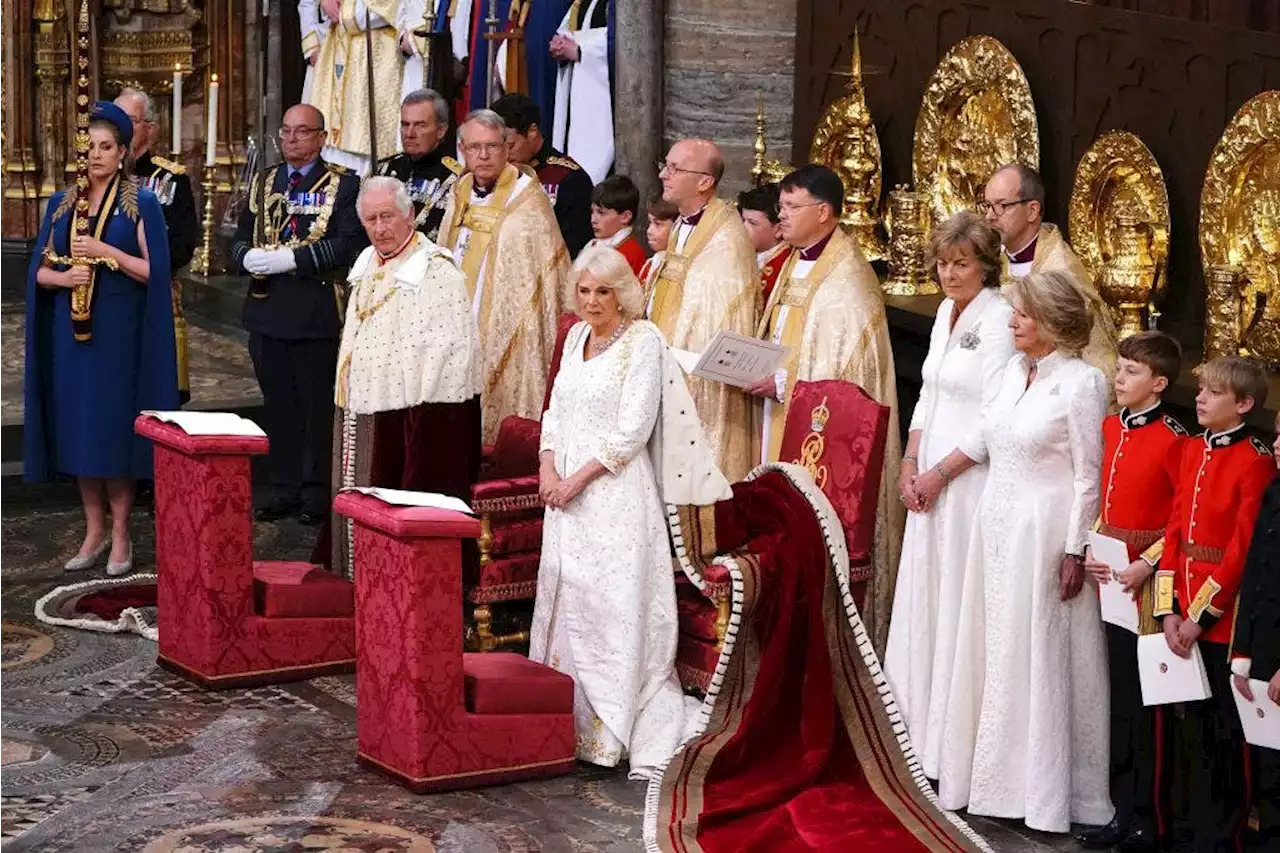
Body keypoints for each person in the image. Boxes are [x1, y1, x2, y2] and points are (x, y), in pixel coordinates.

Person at [933, 269, 1112, 833]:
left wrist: (1075, 548)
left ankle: (1042, 792)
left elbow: (1089, 476)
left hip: (1045, 531)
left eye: (1024, 315)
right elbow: (985, 435)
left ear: (1054, 324)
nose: (1012, 322)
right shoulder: (1013, 370)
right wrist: (932, 472)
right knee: (993, 645)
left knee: (1034, 652)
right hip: (998, 520)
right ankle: (986, 778)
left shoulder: (1082, 382)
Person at [532, 245, 719, 780]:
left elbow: (632, 432)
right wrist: (548, 470)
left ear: (624, 294)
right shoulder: (574, 338)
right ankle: (560, 725)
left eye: (603, 292)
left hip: (614, 497)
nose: (591, 302)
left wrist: (575, 480)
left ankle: (612, 729)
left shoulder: (643, 342)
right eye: (584, 291)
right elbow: (554, 413)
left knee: (612, 606)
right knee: (570, 600)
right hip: (564, 497)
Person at [744, 164, 903, 652]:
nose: (782, 216)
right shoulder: (795, 260)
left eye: (792, 208)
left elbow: (843, 380)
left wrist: (782, 383)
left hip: (813, 435)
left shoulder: (847, 282)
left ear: (824, 212)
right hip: (774, 412)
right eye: (782, 207)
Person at [883, 211, 1014, 779]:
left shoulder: (1004, 317)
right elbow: (928, 396)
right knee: (924, 593)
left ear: (986, 266)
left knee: (957, 598)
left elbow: (993, 418)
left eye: (962, 264)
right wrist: (909, 461)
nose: (950, 273)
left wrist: (941, 473)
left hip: (965, 481)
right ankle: (915, 728)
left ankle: (952, 743)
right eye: (943, 263)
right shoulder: (942, 312)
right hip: (926, 477)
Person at [24, 101, 178, 577]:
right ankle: (92, 532)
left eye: (105, 147)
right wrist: (63, 278)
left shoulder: (141, 201)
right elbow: (39, 274)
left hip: (118, 337)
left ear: (123, 152)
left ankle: (121, 535)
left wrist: (107, 252)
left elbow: (156, 271)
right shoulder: (61, 202)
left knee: (112, 434)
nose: (95, 155)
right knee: (80, 434)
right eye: (88, 146)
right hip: (72, 338)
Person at [325, 176, 482, 574]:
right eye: (371, 219)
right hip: (359, 409)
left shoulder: (436, 271)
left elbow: (448, 358)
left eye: (388, 217)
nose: (380, 228)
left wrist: (419, 429)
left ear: (409, 215)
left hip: (410, 420)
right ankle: (352, 582)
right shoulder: (368, 262)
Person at [1156, 356, 1273, 852]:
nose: (1199, 398)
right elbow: (1176, 529)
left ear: (1243, 404)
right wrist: (1168, 608)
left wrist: (1200, 617)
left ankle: (1222, 838)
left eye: (1213, 393)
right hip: (1182, 610)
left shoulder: (1256, 458)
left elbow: (1241, 551)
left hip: (1221, 625)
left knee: (1227, 739)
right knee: (1190, 732)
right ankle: (1191, 829)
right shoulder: (1190, 450)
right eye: (1200, 390)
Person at [1077, 331, 1187, 853]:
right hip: (1113, 577)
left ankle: (1150, 819)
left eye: (1131, 373)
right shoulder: (1110, 425)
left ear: (1159, 383)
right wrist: (1096, 547)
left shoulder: (1174, 438)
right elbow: (1108, 498)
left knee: (1149, 706)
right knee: (1121, 696)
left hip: (1149, 582)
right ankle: (1122, 811)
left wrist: (1146, 564)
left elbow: (1182, 519)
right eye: (1118, 369)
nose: (1118, 379)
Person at [231, 104, 364, 524]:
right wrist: (246, 256)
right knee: (278, 406)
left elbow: (349, 245)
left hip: (314, 311)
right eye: (286, 132)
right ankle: (282, 487)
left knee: (314, 408)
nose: (291, 140)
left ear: (321, 138)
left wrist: (293, 260)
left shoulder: (344, 186)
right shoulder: (266, 180)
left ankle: (314, 493)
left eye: (302, 132)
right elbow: (237, 237)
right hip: (267, 311)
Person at [436, 109, 569, 442]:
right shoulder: (459, 191)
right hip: (457, 316)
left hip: (503, 323)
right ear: (462, 150)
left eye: (493, 146)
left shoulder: (526, 198)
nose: (483, 155)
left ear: (507, 148)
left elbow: (536, 272)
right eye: (475, 147)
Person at [649, 138, 759, 482]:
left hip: (694, 377)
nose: (665, 175)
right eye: (665, 165)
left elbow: (715, 315)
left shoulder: (726, 237)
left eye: (675, 168)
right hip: (661, 359)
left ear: (704, 182)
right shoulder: (683, 222)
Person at [982, 164, 1118, 384]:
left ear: (1032, 210)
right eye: (987, 205)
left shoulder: (1061, 273)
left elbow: (1095, 359)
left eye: (1001, 206)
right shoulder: (992, 259)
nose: (989, 216)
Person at [113, 88, 198, 405]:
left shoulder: (171, 180)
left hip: (152, 297)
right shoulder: (97, 178)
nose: (119, 127)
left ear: (150, 127)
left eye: (129, 121)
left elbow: (181, 244)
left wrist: (133, 264)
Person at [1232, 411, 1280, 851]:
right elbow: (1255, 575)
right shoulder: (1274, 492)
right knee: (1266, 775)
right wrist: (1242, 651)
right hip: (1263, 649)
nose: (1279, 443)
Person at [491, 92, 593, 258]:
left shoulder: (568, 179)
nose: (504, 155)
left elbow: (575, 249)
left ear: (532, 132)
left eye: (510, 146)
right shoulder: (494, 172)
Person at [307, 0, 403, 172]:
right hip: (337, 45)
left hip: (377, 50)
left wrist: (345, 10)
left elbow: (387, 8)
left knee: (365, 132)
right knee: (333, 140)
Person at [373, 88, 463, 241]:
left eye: (420, 125)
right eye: (405, 124)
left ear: (441, 130)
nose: (409, 133)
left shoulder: (457, 180)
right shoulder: (383, 170)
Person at [549, 0, 612, 183]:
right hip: (579, 88)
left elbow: (625, 42)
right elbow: (566, 29)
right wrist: (559, 44)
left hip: (600, 95)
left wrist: (581, 51)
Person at [737, 182, 789, 305]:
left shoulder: (786, 266)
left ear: (778, 230)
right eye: (743, 220)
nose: (742, 228)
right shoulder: (735, 252)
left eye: (752, 223)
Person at [584, 175, 645, 276]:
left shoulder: (632, 254)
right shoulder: (592, 245)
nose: (593, 219)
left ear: (625, 217)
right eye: (592, 212)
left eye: (601, 213)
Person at [638, 195, 677, 297]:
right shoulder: (650, 264)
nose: (649, 231)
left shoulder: (676, 270)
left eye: (658, 224)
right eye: (650, 223)